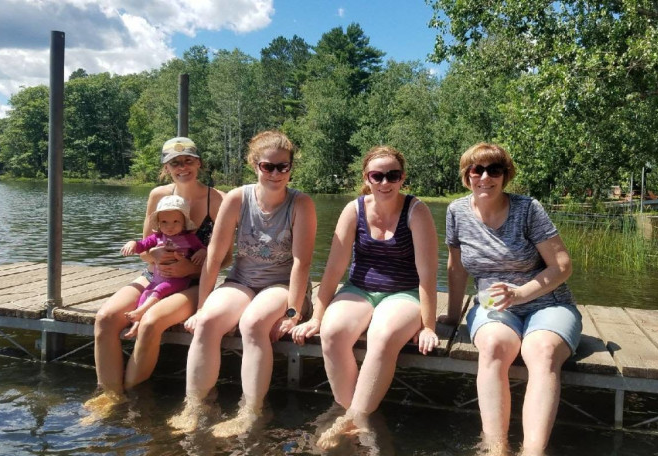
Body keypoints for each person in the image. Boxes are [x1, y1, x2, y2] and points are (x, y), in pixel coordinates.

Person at [168, 130, 317, 437]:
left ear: (290, 168)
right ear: (254, 165)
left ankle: (251, 410)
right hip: (242, 280)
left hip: (283, 286)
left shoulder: (300, 204)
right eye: (268, 166)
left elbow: (301, 263)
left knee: (253, 323)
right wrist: (200, 307)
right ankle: (196, 405)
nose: (276, 174)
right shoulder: (238, 198)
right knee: (208, 321)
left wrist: (292, 313)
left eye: (283, 167)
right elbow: (215, 255)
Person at [290, 145, 439, 448]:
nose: (385, 183)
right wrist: (317, 316)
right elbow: (333, 269)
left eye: (393, 175)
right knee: (332, 332)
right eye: (378, 175)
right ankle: (353, 417)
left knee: (382, 336)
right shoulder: (354, 210)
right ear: (367, 178)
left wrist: (429, 326)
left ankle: (353, 419)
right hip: (359, 289)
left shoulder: (416, 211)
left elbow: (427, 274)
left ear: (402, 178)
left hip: (403, 292)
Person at [439, 142, 580, 456]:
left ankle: (532, 450)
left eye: (495, 170)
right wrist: (451, 316)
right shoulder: (456, 212)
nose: (485, 177)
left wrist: (520, 293)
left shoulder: (527, 209)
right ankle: (495, 448)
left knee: (541, 351)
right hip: (494, 306)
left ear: (505, 175)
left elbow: (562, 265)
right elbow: (456, 267)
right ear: (466, 176)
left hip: (548, 303)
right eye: (477, 169)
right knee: (493, 347)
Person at [86, 137, 226, 413]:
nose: (182, 167)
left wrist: (192, 267)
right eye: (175, 162)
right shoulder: (157, 195)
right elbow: (145, 248)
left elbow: (227, 255)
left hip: (194, 282)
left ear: (198, 163)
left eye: (188, 160)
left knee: (150, 323)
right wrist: (155, 257)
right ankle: (110, 397)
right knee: (105, 318)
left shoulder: (217, 199)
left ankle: (132, 396)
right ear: (166, 167)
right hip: (154, 276)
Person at [120, 195, 207, 338]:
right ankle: (136, 324)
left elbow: (202, 249)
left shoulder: (189, 238)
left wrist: (202, 252)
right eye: (164, 222)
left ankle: (140, 312)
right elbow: (142, 246)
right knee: (146, 293)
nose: (170, 226)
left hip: (178, 279)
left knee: (159, 290)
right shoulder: (157, 238)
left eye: (175, 221)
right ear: (159, 224)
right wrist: (132, 244)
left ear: (184, 223)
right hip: (157, 277)